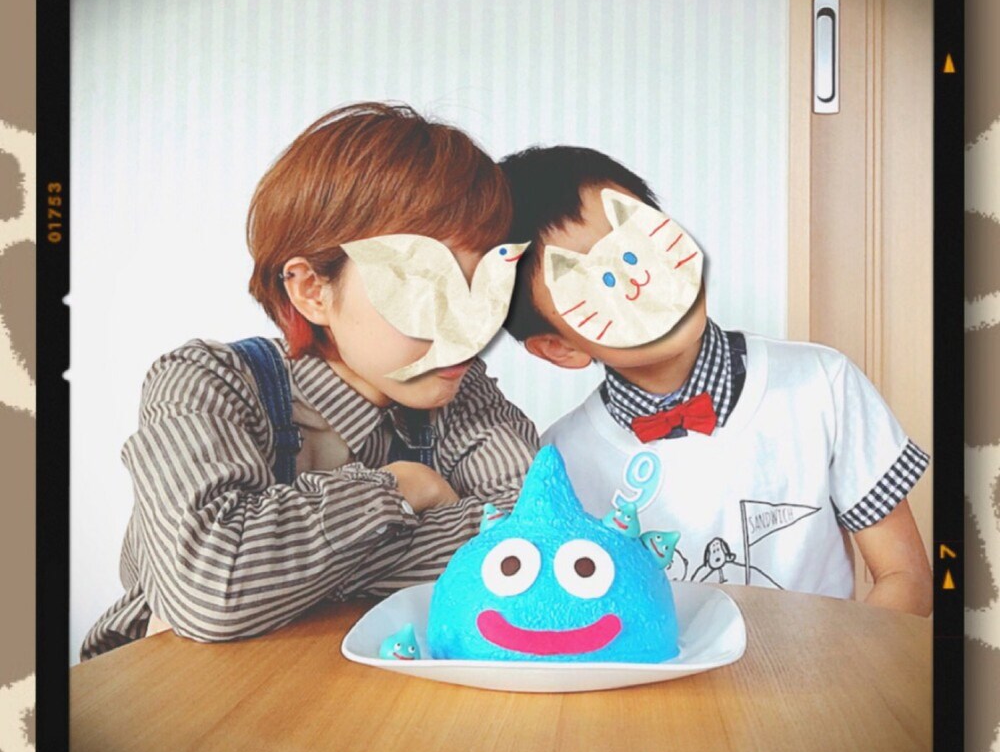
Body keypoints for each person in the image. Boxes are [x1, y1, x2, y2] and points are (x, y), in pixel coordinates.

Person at [81, 103, 538, 660]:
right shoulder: (206, 382)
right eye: (427, 288)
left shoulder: (459, 391)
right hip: (171, 686)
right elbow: (214, 590)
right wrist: (402, 487)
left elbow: (536, 539)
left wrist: (287, 577)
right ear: (311, 290)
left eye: (485, 286)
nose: (468, 330)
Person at [500, 145, 932, 616]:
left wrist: (834, 663)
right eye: (593, 282)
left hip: (822, 664)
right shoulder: (559, 462)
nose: (639, 278)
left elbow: (906, 578)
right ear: (559, 347)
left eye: (640, 239)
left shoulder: (823, 384)